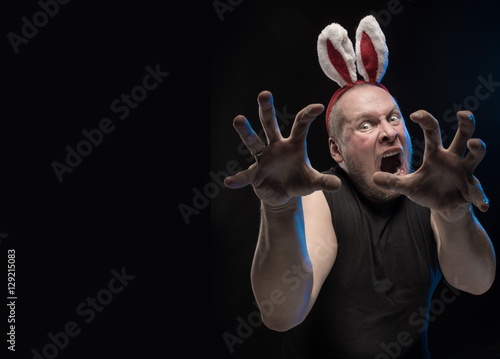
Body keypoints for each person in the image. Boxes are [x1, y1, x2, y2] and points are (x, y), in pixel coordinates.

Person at [223, 15, 496, 359]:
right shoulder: (321, 199)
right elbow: (282, 314)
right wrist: (279, 209)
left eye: (393, 117)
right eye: (366, 124)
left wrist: (457, 214)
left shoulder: (432, 199)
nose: (388, 131)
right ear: (336, 151)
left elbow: (477, 281)